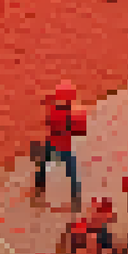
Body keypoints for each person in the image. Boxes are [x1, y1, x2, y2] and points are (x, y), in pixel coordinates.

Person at [33, 81, 87, 211]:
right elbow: (80, 131)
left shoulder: (54, 111)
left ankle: (40, 186)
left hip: (52, 143)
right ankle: (76, 194)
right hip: (65, 146)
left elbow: (48, 123)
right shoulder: (72, 115)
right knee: (72, 171)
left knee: (43, 165)